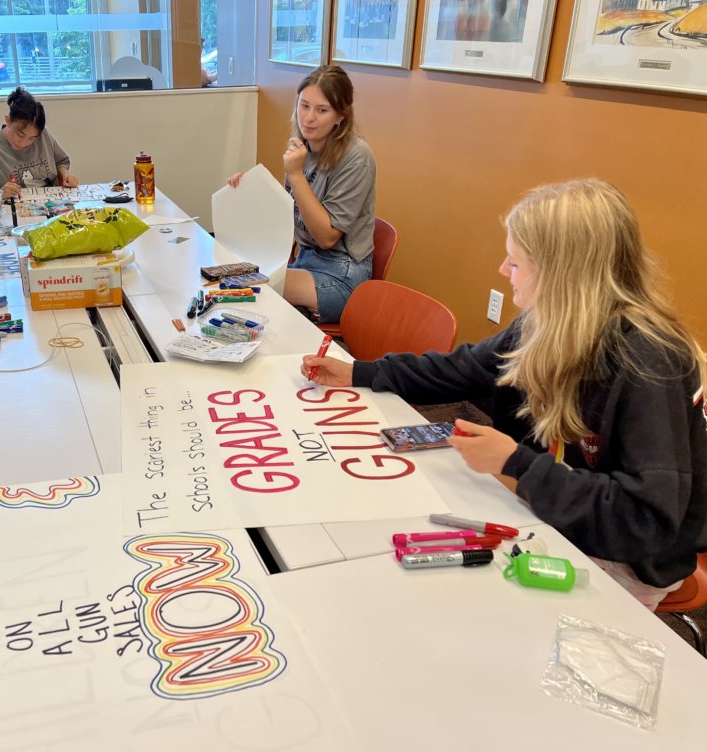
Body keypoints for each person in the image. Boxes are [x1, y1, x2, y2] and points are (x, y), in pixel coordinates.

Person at [301, 179, 707, 610]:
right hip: (557, 503)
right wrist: (360, 372)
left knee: (469, 605)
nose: (501, 270)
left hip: (634, 556)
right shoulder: (546, 321)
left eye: (515, 263)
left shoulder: (647, 361)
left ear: (561, 275)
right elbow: (464, 367)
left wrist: (516, 464)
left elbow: (645, 520)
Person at [229, 64, 376, 323]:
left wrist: (296, 175)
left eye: (322, 110)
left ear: (340, 116)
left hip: (342, 273)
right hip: (305, 261)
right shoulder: (302, 147)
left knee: (249, 287)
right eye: (304, 105)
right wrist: (248, 194)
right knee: (236, 278)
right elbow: (289, 215)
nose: (308, 118)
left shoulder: (357, 156)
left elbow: (327, 238)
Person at [0, 87, 77, 199]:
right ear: (8, 121)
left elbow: (61, 161)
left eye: (32, 138)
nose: (23, 143)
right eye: (20, 134)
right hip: (12, 213)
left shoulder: (43, 136)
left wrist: (66, 176)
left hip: (52, 205)